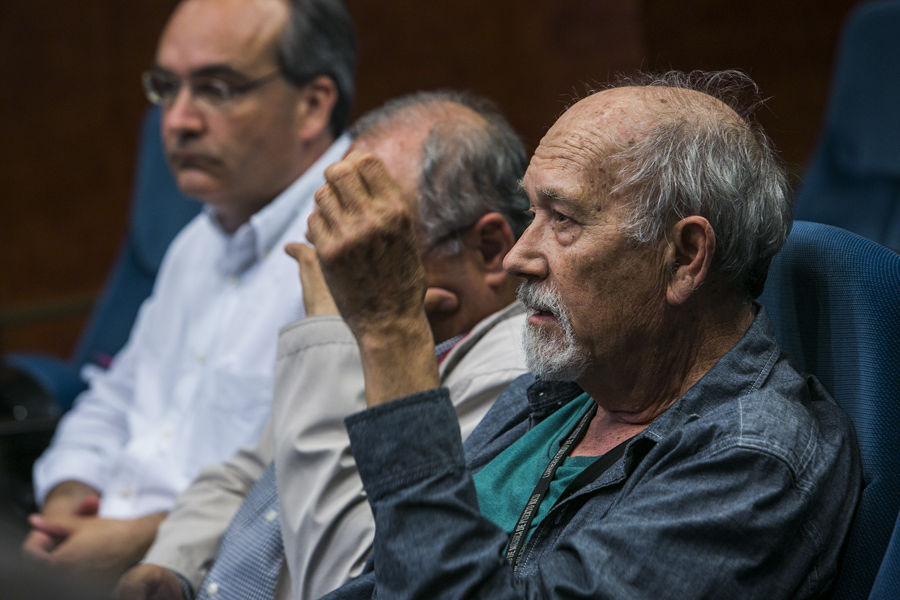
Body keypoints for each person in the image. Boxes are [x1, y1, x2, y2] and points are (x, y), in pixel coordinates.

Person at [312, 71, 862, 599]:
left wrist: (392, 330)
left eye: (564, 219)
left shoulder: (754, 463)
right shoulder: (564, 392)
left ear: (685, 257)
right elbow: (387, 578)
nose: (517, 258)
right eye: (532, 213)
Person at [113, 90, 531, 600]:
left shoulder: (515, 374)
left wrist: (340, 335)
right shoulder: (392, 328)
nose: (334, 264)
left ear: (489, 249)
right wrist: (171, 566)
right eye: (331, 226)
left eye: (366, 238)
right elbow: (254, 470)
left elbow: (344, 576)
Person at [23, 0, 356, 582]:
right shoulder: (196, 239)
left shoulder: (352, 245)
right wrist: (68, 499)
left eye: (216, 89)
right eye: (166, 88)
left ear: (312, 105)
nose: (176, 121)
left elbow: (308, 487)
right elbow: (112, 397)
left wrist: (133, 540)